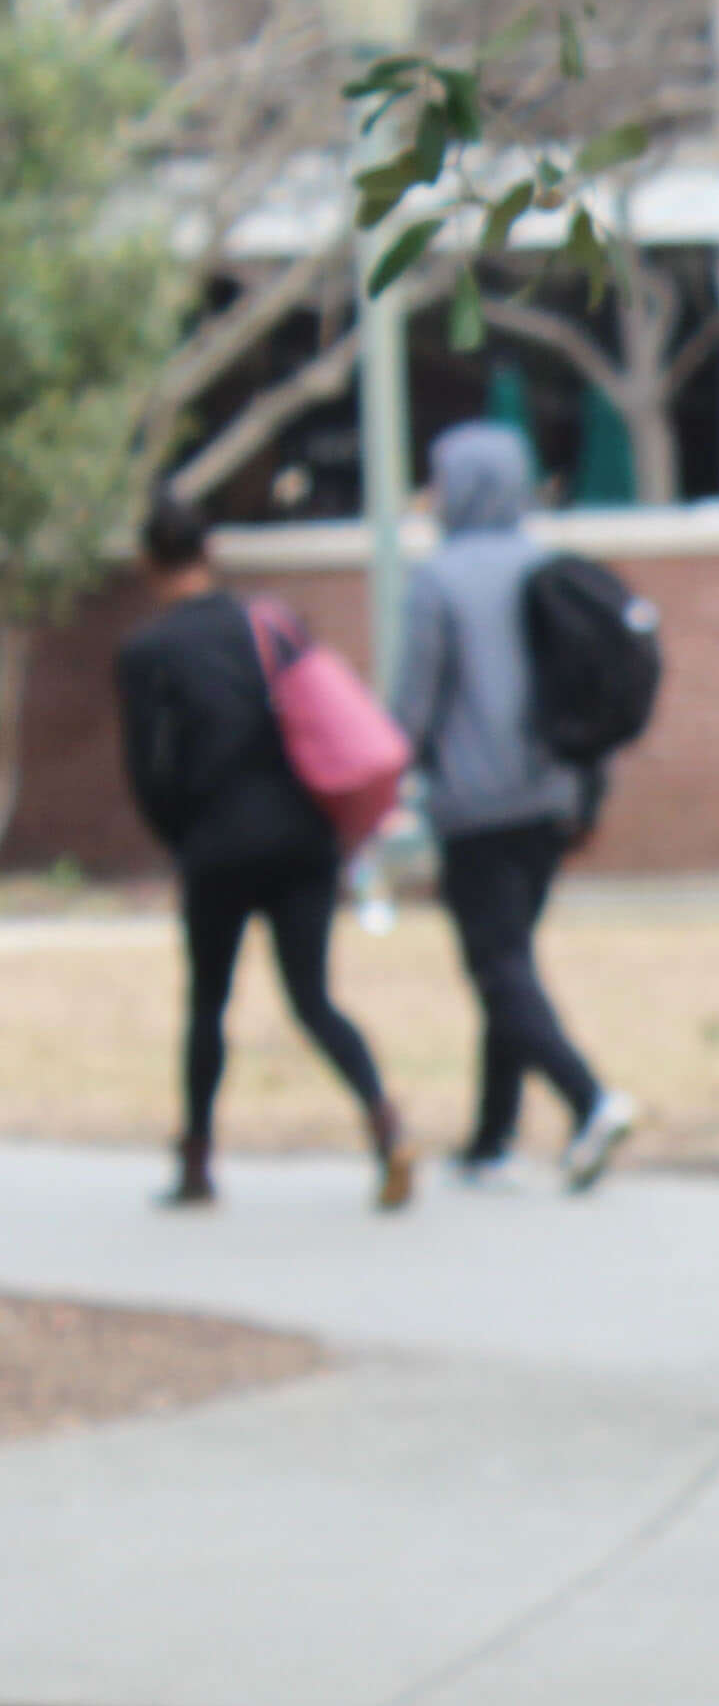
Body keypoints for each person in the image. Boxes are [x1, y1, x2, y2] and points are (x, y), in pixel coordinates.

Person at [112, 492, 416, 1212]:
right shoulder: (268, 625)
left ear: (149, 564)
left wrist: (180, 836)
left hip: (217, 845)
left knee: (209, 1005)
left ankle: (196, 1161)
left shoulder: (148, 652)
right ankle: (385, 1124)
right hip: (301, 836)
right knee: (311, 997)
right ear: (208, 553)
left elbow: (146, 771)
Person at [392, 421, 636, 1192]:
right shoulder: (552, 565)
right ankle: (491, 1138)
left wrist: (383, 785)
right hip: (549, 798)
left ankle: (588, 1099)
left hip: (473, 804)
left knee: (497, 966)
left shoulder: (437, 580)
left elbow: (411, 707)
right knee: (511, 961)